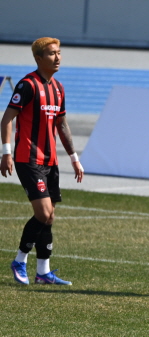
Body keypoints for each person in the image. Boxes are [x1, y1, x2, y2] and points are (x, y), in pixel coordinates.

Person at [1, 37, 84, 286]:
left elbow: (62, 124)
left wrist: (74, 158)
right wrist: (6, 153)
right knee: (43, 212)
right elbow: (7, 119)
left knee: (49, 217)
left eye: (58, 53)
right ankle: (19, 260)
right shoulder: (27, 85)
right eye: (51, 54)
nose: (57, 58)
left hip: (50, 161)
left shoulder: (58, 88)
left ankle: (43, 272)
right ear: (38, 58)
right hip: (28, 158)